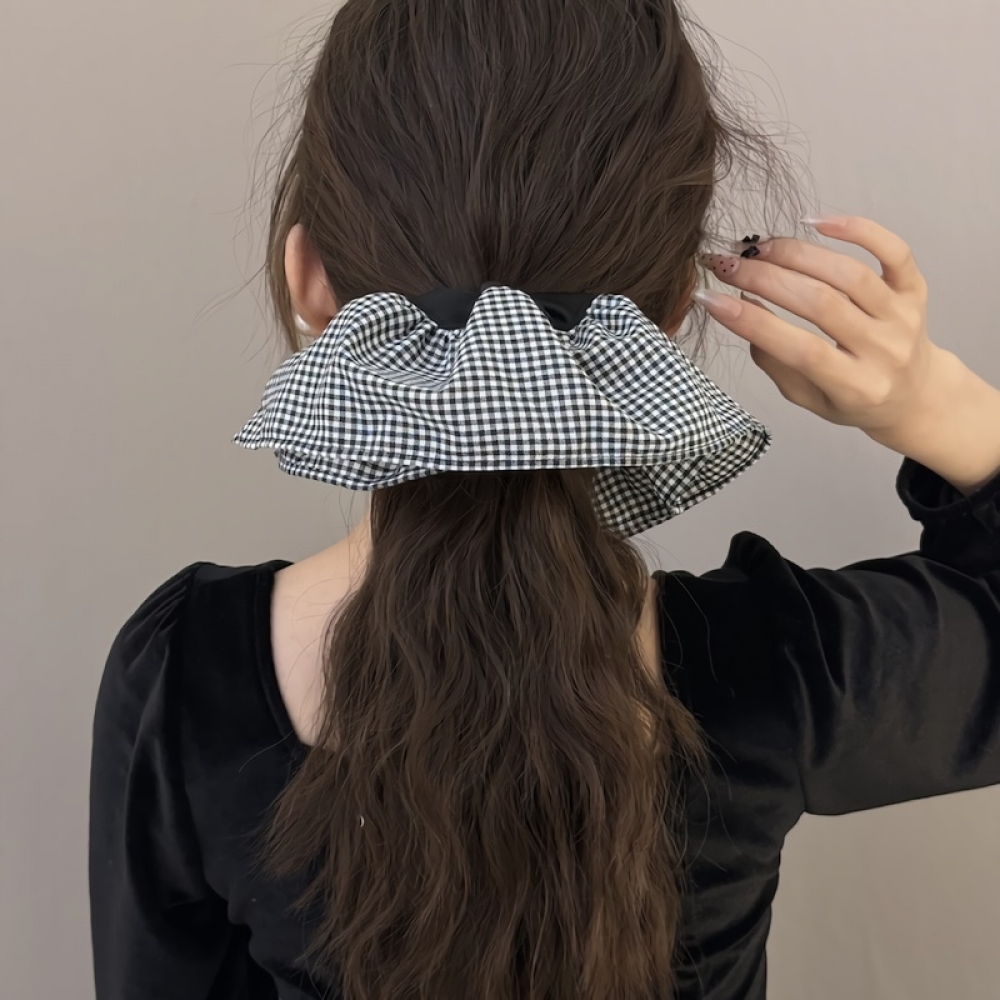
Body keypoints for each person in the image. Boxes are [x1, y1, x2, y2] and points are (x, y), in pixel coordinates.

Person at [88, 3, 1000, 999]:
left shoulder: (185, 671)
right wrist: (935, 404)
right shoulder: (779, 665)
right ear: (666, 312)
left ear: (309, 279)